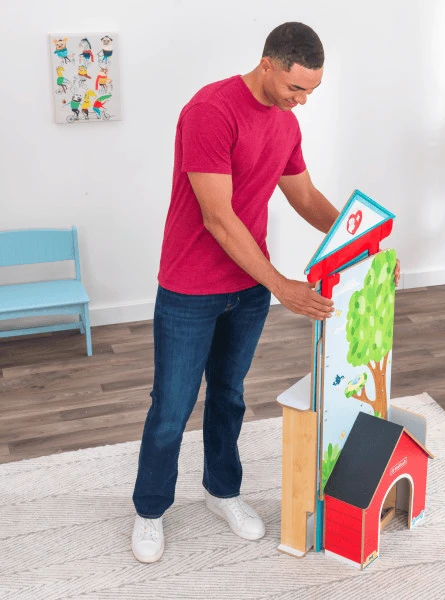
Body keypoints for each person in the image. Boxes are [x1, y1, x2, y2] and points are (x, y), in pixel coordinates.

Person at [131, 22, 340, 563]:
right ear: (267, 64)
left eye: (311, 91)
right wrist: (282, 285)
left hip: (247, 291)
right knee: (172, 407)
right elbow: (218, 218)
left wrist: (365, 242)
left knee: (229, 395)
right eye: (296, 88)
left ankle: (222, 491)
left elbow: (305, 196)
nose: (302, 100)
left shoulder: (286, 121)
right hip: (190, 288)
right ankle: (150, 509)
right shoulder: (211, 110)